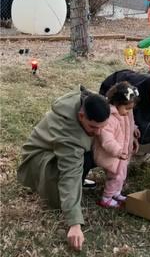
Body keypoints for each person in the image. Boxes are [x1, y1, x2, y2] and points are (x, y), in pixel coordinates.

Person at [17, 85, 110, 252]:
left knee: (98, 148)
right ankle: (55, 189)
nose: (98, 132)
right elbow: (70, 175)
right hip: (38, 160)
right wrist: (75, 224)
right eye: (93, 127)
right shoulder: (69, 135)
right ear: (81, 116)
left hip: (57, 150)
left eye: (102, 126)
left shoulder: (86, 100)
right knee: (61, 197)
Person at [93, 81, 140, 208]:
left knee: (122, 175)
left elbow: (128, 122)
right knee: (114, 176)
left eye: (131, 109)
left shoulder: (123, 113)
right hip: (112, 155)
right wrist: (118, 151)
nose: (128, 112)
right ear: (117, 104)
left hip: (122, 153)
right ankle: (106, 197)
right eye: (127, 108)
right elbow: (106, 139)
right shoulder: (110, 118)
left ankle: (116, 193)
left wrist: (134, 127)